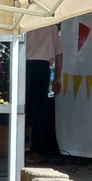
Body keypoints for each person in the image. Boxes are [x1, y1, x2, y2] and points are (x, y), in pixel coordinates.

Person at [25, 25, 63, 162]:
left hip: (24, 64)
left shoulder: (25, 21)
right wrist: (57, 77)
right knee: (40, 109)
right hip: (43, 67)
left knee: (22, 105)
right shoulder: (52, 26)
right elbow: (59, 53)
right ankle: (36, 149)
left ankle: (21, 143)